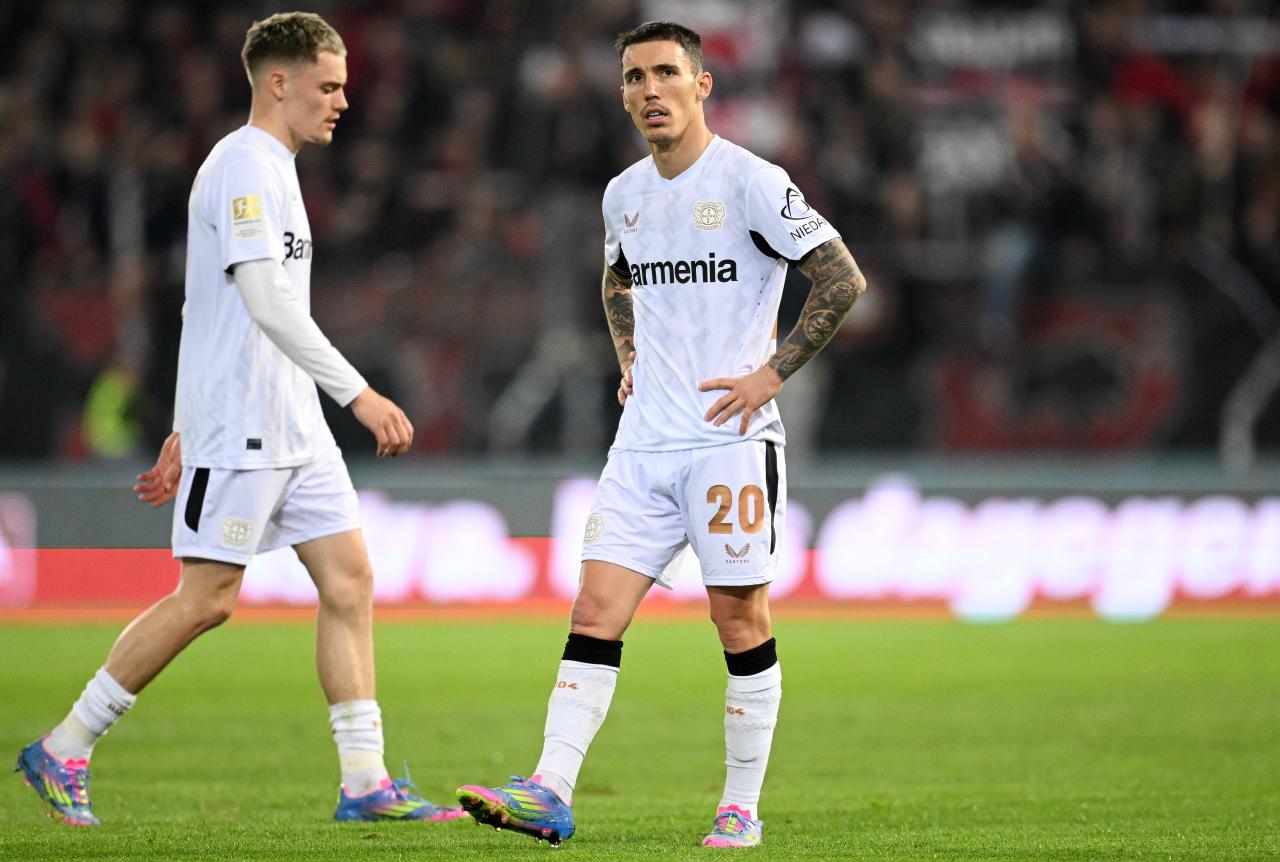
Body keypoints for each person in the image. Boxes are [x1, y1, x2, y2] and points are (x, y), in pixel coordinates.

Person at [16, 12, 462, 827]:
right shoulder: (243, 166)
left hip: (293, 424)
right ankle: (65, 745)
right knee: (208, 598)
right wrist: (357, 394)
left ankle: (365, 781)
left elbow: (205, 306)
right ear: (279, 83)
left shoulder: (276, 168)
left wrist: (182, 423)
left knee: (349, 580)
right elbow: (263, 301)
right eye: (329, 86)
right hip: (250, 423)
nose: (343, 102)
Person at [455, 20, 867, 848]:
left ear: (701, 84)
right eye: (635, 77)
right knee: (593, 609)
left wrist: (771, 374)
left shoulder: (751, 181)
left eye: (666, 73)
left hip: (729, 442)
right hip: (643, 444)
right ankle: (549, 789)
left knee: (738, 622)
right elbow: (617, 277)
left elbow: (841, 277)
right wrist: (630, 354)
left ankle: (740, 807)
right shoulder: (623, 194)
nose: (651, 89)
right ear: (622, 93)